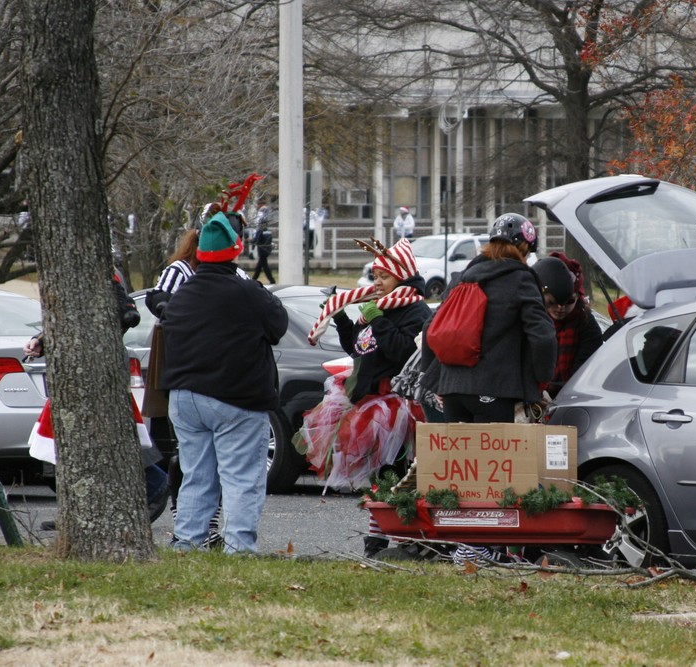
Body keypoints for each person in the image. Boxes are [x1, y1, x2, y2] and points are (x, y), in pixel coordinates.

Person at [298, 236, 432, 557]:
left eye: (384, 276)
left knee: (398, 477)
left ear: (401, 275)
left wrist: (378, 321)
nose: (378, 282)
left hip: (397, 407)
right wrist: (343, 318)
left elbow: (403, 351)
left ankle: (406, 539)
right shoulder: (377, 308)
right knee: (379, 478)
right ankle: (377, 541)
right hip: (367, 401)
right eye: (375, 276)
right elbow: (360, 349)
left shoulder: (415, 310)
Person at [162, 213, 288, 554]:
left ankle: (187, 543)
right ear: (236, 250)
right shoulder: (249, 292)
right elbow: (278, 326)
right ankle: (238, 549)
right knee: (241, 479)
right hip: (237, 399)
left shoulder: (183, 294)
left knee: (196, 476)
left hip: (185, 398)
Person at [25, 273, 168, 525]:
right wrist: (41, 340)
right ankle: (79, 513)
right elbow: (70, 320)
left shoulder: (102, 272)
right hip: (76, 367)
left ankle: (155, 483)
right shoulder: (70, 271)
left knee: (111, 436)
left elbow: (122, 312)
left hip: (99, 368)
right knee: (74, 441)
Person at [423, 213, 556, 423]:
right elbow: (543, 336)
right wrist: (541, 380)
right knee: (494, 456)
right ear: (523, 248)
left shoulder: (462, 278)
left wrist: (438, 380)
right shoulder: (520, 278)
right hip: (494, 389)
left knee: (459, 456)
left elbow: (430, 327)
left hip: (451, 391)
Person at [532, 254, 604, 399]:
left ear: (579, 298)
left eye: (569, 301)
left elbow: (583, 374)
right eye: (552, 302)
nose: (560, 307)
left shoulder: (586, 324)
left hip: (571, 397)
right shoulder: (532, 320)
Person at [251, 218, 275, 284]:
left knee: (265, 267)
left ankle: (272, 280)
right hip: (267, 250)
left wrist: (250, 240)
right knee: (259, 267)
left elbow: (256, 240)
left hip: (262, 251)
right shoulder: (268, 231)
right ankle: (253, 280)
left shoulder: (260, 231)